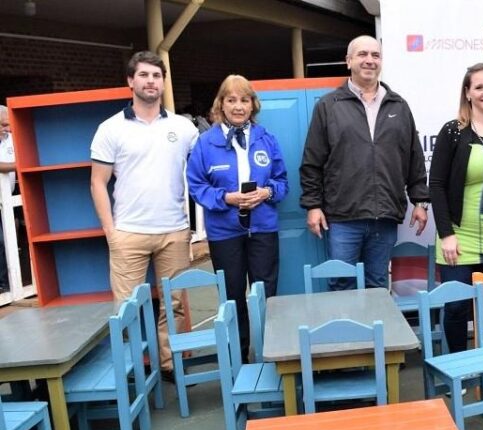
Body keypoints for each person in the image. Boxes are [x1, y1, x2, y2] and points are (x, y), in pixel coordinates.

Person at [90, 51, 198, 382]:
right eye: (144, 75)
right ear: (130, 81)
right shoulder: (110, 129)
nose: (151, 81)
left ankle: (170, 366)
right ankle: (133, 372)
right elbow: (98, 182)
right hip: (129, 233)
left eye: (156, 75)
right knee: (127, 310)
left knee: (175, 305)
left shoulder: (183, 127)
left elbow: (202, 173)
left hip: (173, 231)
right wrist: (111, 232)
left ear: (163, 82)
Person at [301, 35, 429, 291]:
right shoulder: (328, 106)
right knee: (341, 282)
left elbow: (413, 157)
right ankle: (346, 333)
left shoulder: (399, 106)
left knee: (378, 284)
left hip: (385, 216)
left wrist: (420, 201)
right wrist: (313, 205)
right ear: (348, 61)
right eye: (362, 54)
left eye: (375, 55)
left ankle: (376, 333)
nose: (369, 60)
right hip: (343, 217)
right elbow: (312, 161)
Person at [187, 75, 288, 361]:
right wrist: (226, 198)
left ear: (253, 104)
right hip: (225, 233)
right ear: (221, 104)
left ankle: (271, 356)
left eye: (244, 100)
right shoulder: (206, 143)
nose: (238, 106)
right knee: (232, 297)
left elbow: (282, 182)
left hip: (263, 229)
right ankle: (239, 360)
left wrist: (266, 192)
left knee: (266, 294)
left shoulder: (266, 138)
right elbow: (196, 186)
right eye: (231, 100)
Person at [429, 63, 483, 353]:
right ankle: (457, 367)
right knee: (456, 306)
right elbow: (437, 185)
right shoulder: (453, 132)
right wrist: (446, 233)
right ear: (467, 93)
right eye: (478, 87)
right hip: (459, 235)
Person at [0, 105, 15, 293]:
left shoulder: (12, 139)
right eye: (4, 125)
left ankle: (7, 282)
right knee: (1, 241)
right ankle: (3, 284)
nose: (8, 129)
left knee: (9, 240)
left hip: (11, 200)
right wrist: (19, 165)